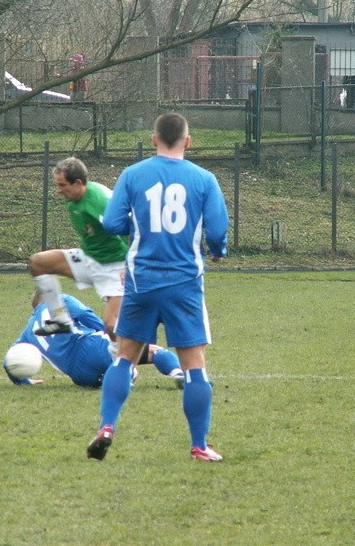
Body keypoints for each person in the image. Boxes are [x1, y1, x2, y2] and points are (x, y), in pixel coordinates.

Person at [86, 112, 229, 463]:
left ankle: (106, 426)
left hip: (141, 281)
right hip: (184, 284)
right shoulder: (204, 179)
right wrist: (218, 251)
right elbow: (217, 230)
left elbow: (113, 222)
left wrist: (139, 233)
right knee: (195, 366)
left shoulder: (133, 175)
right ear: (188, 141)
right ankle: (198, 445)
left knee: (124, 357)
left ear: (153, 140)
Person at [28, 157, 127, 339]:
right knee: (39, 263)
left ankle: (137, 360)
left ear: (78, 183)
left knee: (112, 326)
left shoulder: (101, 202)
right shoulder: (74, 196)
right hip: (90, 259)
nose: (58, 191)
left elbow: (130, 231)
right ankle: (61, 319)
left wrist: (133, 266)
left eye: (62, 185)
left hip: (115, 268)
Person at [4, 292, 184, 389]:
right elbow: (84, 314)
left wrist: (23, 381)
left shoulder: (29, 332)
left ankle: (118, 378)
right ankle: (178, 374)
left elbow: (9, 362)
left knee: (117, 371)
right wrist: (108, 333)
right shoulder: (59, 300)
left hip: (79, 376)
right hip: (91, 347)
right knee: (153, 351)